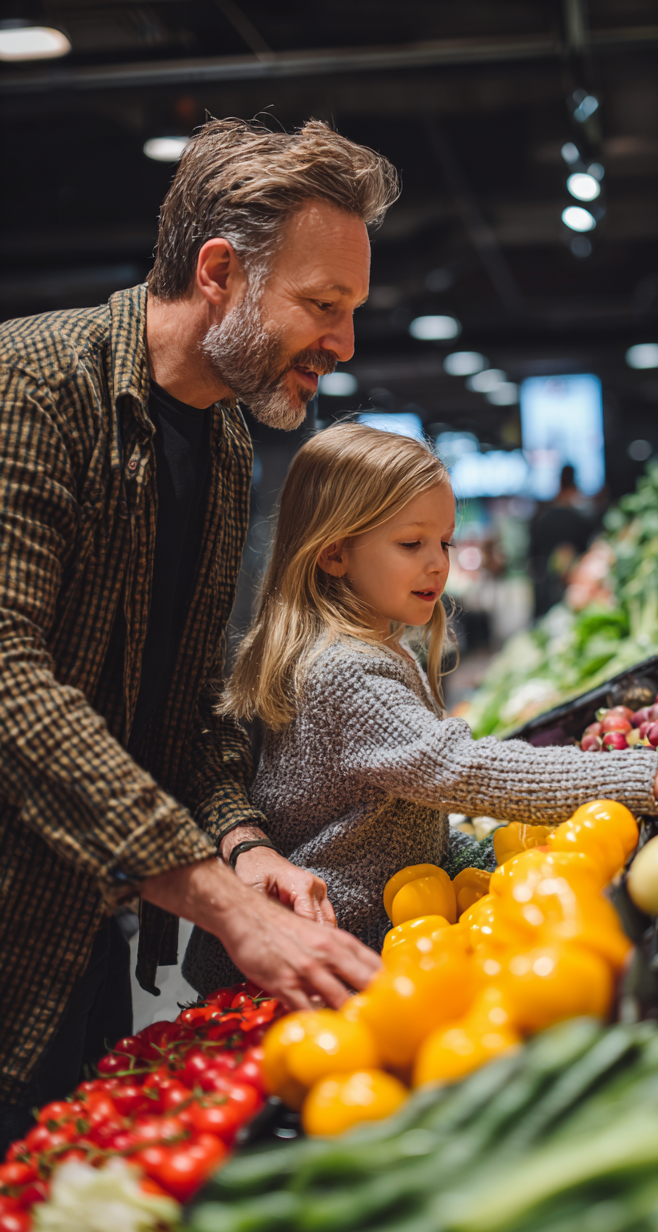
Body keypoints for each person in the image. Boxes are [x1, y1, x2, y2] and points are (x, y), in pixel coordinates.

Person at [0, 117, 399, 1148]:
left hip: (84, 927)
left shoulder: (221, 436)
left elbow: (182, 711)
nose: (343, 344)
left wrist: (244, 840)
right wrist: (223, 901)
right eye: (323, 304)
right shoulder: (34, 390)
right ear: (219, 270)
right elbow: (10, 683)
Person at [183, 424, 658, 991]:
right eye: (411, 544)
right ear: (334, 552)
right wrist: (649, 776)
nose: (437, 563)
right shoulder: (347, 671)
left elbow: (387, 818)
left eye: (444, 543)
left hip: (360, 932)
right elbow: (462, 769)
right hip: (314, 962)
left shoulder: (360, 646)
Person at [528, 465, 597, 617]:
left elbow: (532, 555)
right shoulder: (581, 519)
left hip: (548, 587)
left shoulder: (542, 519)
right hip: (574, 589)